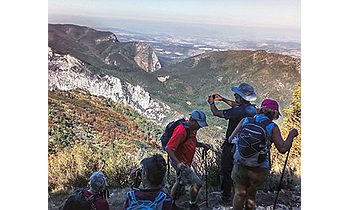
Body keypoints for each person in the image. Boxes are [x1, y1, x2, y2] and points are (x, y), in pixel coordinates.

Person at [228, 99, 298, 210]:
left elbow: (230, 138)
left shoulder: (245, 120)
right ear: (274, 113)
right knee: (251, 194)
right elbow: (283, 149)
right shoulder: (272, 127)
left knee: (239, 193)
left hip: (240, 162)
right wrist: (291, 135)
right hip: (259, 166)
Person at [207, 83, 257, 204]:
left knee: (226, 171)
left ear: (241, 98)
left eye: (237, 94)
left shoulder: (237, 112)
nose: (235, 95)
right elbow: (238, 106)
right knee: (241, 171)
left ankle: (226, 197)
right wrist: (223, 99)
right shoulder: (253, 109)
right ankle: (242, 195)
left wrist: (211, 103)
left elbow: (216, 113)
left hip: (231, 145)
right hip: (245, 146)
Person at [165, 110, 211, 210]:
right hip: (181, 162)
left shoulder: (192, 129)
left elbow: (190, 141)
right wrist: (178, 164)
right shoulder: (181, 130)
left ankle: (170, 204)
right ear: (192, 120)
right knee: (197, 183)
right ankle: (192, 204)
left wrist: (202, 145)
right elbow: (169, 148)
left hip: (184, 162)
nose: (200, 127)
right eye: (199, 124)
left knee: (179, 182)